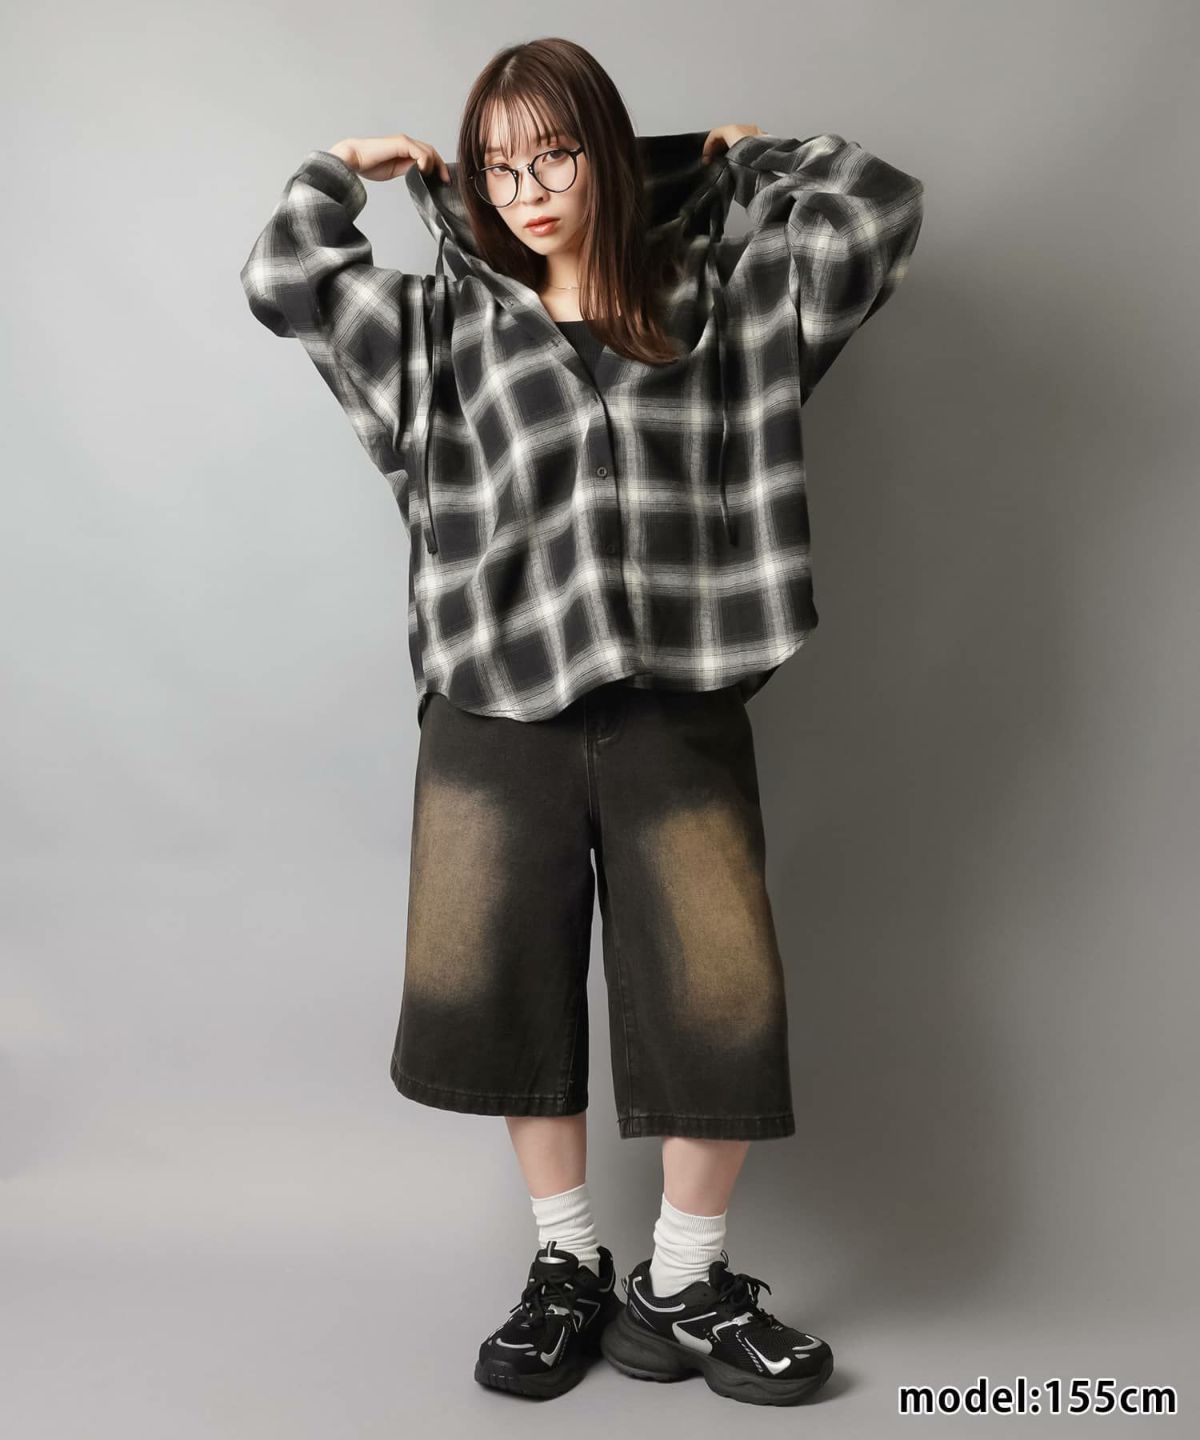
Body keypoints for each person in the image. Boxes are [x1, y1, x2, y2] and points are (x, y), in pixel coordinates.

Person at [240, 34, 924, 1409]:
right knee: (503, 988)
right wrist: (342, 169)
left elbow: (876, 211)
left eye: (553, 155)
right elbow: (284, 277)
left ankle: (682, 1280)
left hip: (677, 699)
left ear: (607, 153)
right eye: (500, 167)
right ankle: (566, 1266)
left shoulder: (718, 302)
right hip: (497, 706)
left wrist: (748, 163)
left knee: (719, 995)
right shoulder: (440, 325)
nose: (528, 190)